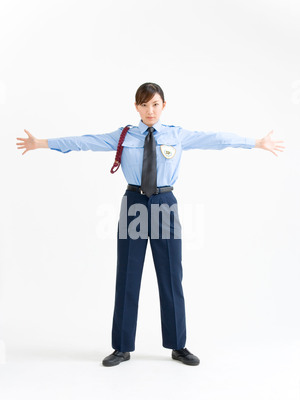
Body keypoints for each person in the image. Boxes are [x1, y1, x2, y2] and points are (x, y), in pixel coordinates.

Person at [16, 82, 285, 367]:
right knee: (128, 275)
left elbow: (216, 139)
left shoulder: (177, 135)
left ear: (163, 106)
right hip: (133, 204)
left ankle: (178, 345)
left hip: (165, 204)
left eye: (155, 104)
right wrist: (41, 143)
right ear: (136, 107)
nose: (149, 110)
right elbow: (84, 141)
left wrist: (256, 142)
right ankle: (121, 347)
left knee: (171, 275)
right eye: (143, 105)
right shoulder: (123, 135)